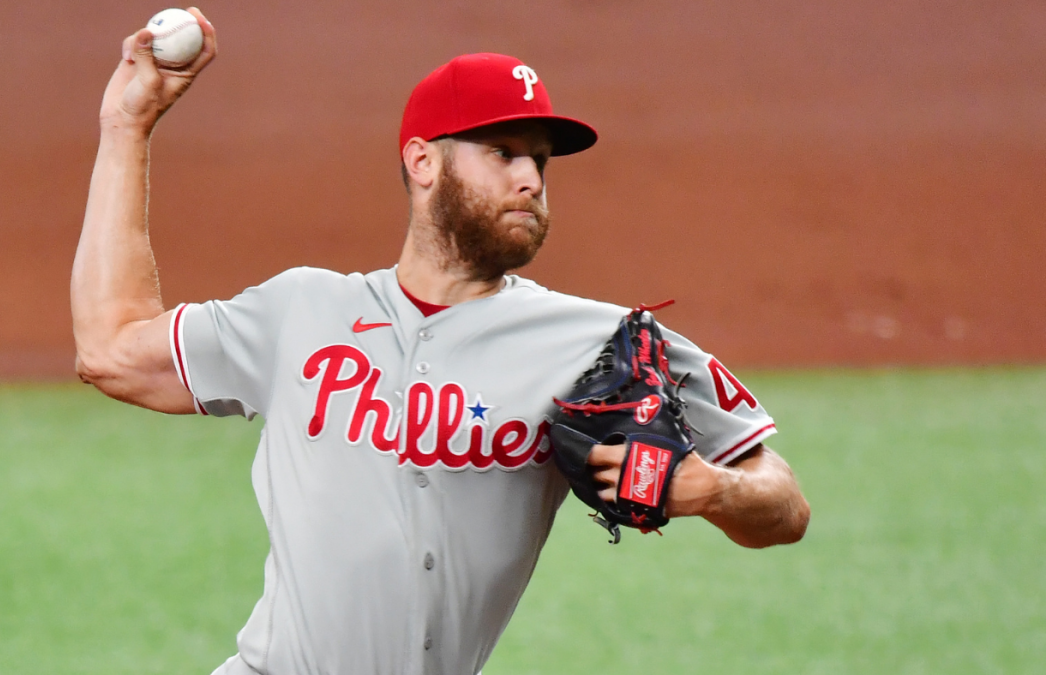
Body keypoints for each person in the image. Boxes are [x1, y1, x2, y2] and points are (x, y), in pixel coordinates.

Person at [72, 11, 810, 675]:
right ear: (423, 162)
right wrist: (126, 128)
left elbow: (785, 502)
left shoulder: (598, 341)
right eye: (502, 150)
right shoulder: (300, 310)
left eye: (541, 161)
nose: (530, 178)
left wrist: (716, 490)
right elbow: (110, 349)